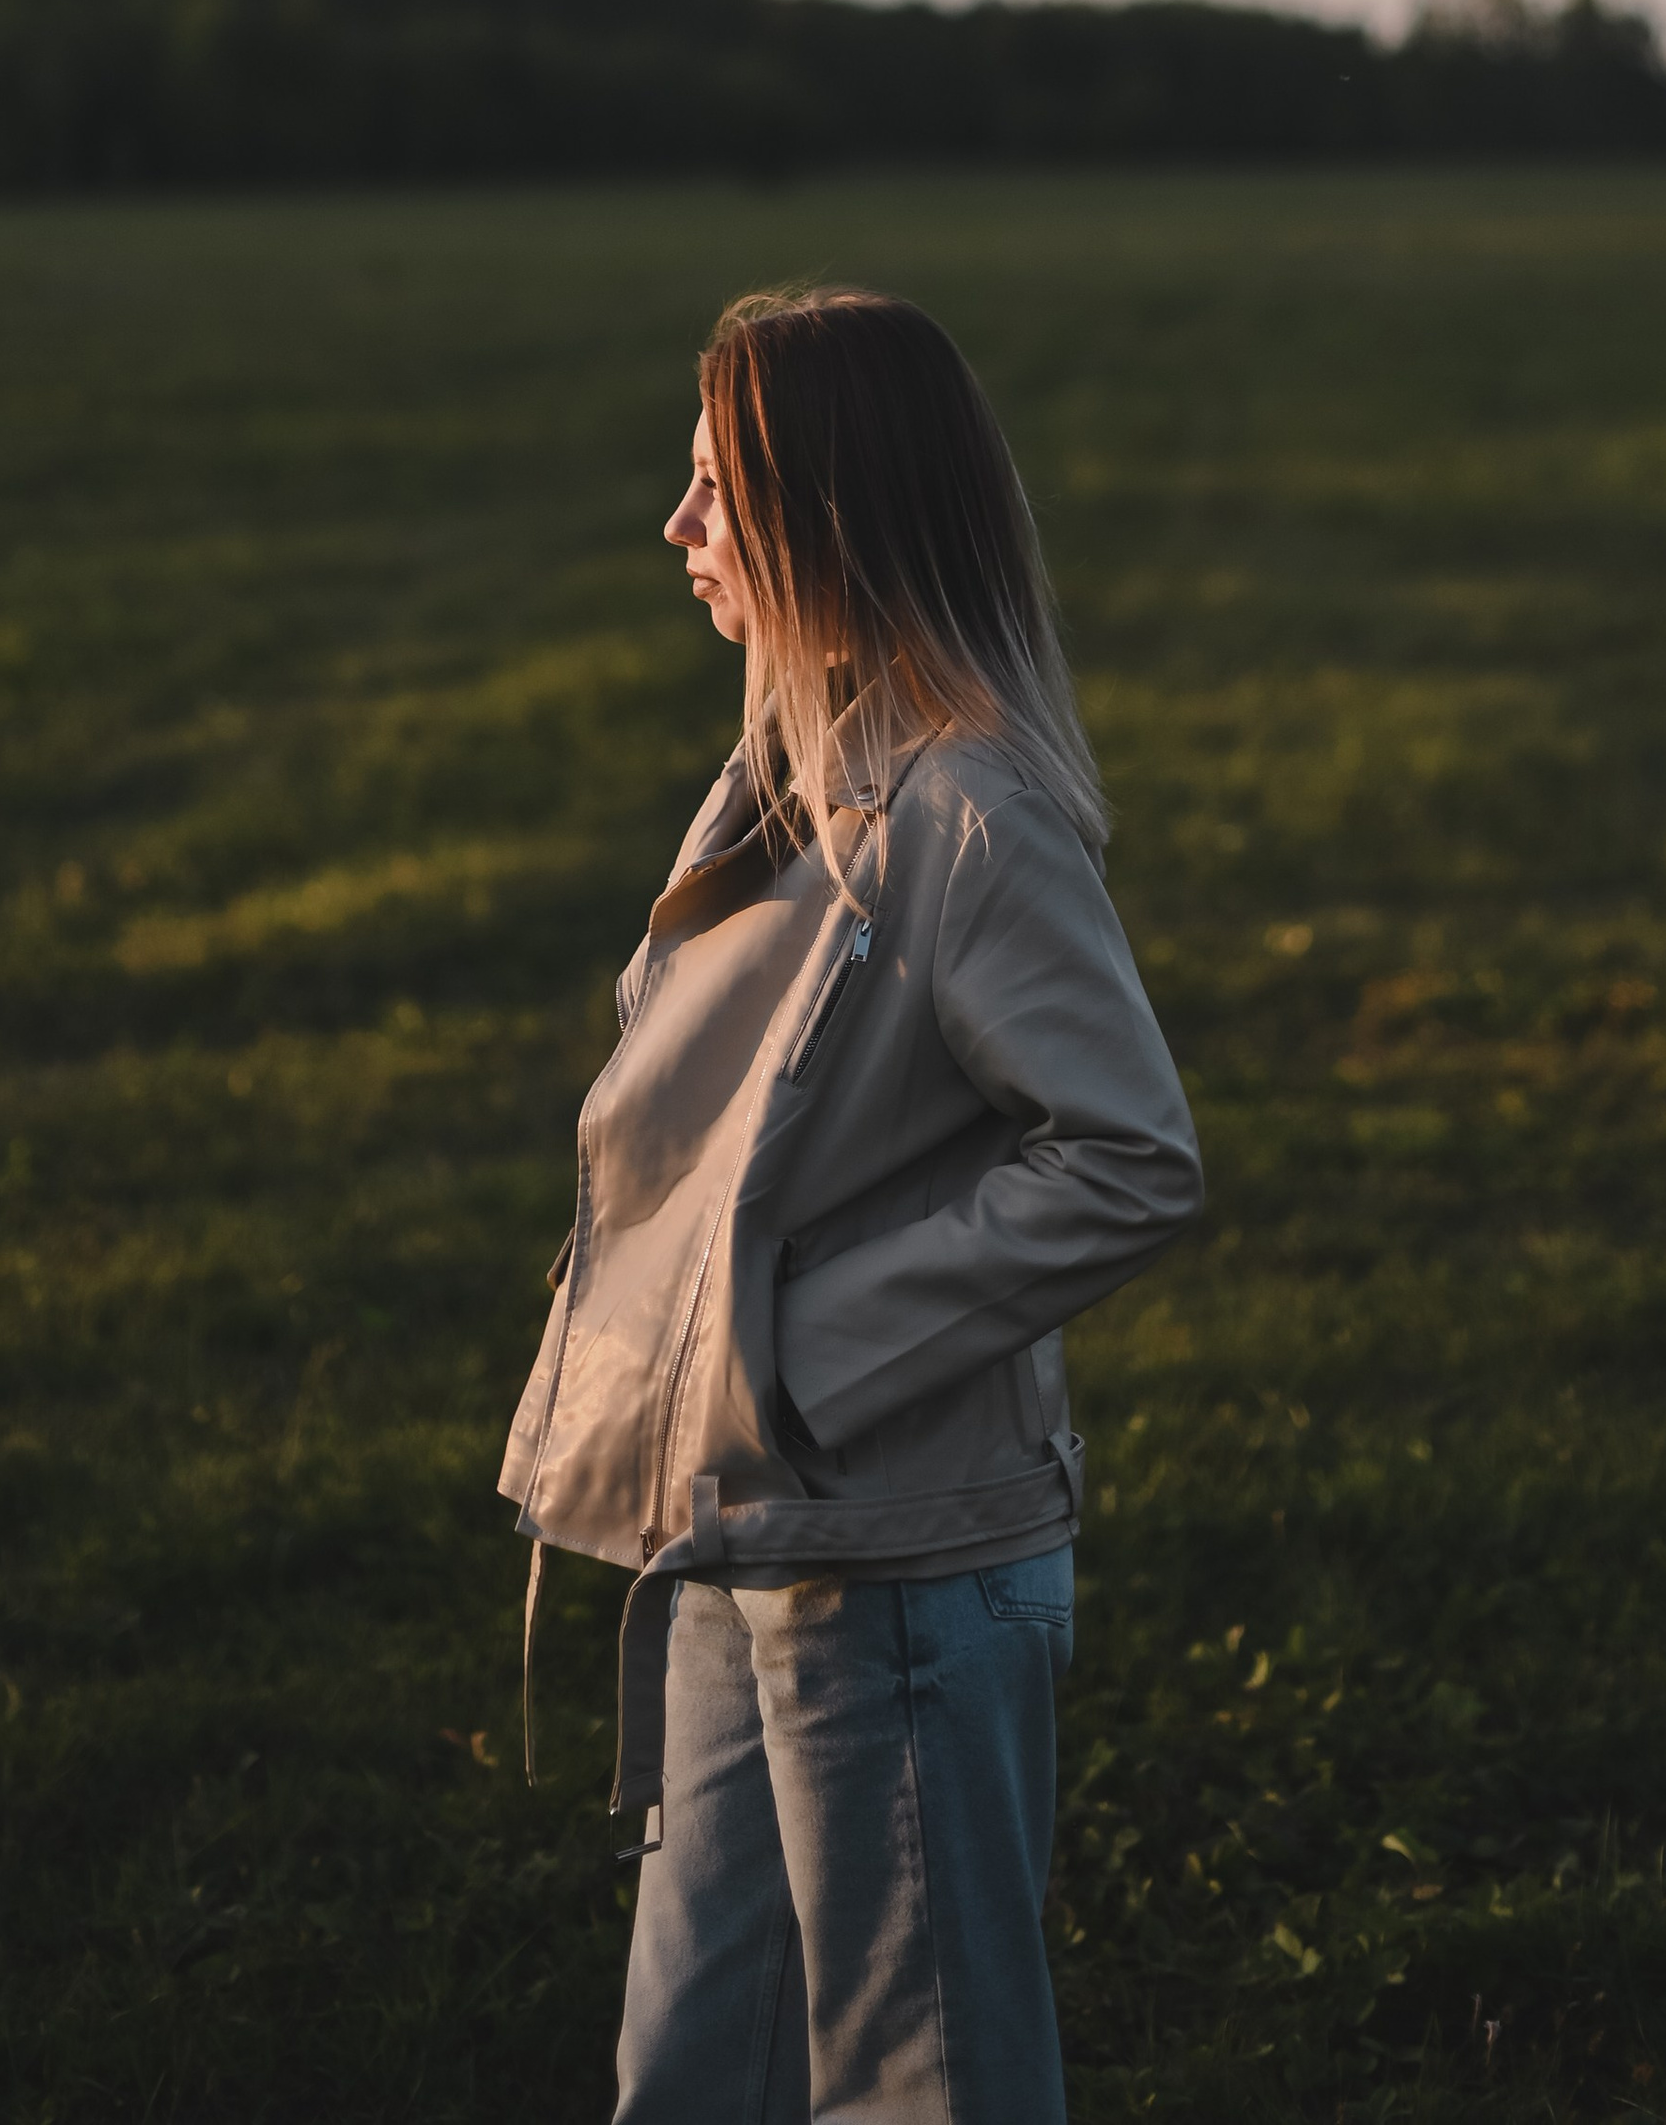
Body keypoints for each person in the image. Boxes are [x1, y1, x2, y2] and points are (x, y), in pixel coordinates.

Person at [498, 284, 1203, 2125]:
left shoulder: (967, 817)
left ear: (832, 513)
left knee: (920, 2078)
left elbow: (1131, 1153)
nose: (677, 528)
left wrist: (805, 1361)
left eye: (718, 491)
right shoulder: (782, 785)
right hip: (744, 1534)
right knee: (695, 2058)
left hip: (896, 1562)